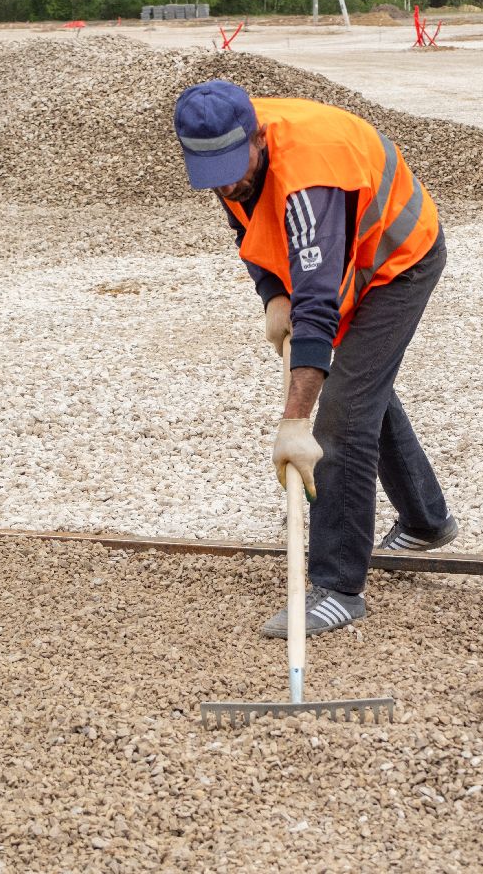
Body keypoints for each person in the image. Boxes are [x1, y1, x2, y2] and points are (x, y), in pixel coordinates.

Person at [174, 81, 458, 637]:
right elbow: (246, 219)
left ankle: (337, 587)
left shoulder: (309, 176)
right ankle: (427, 522)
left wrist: (295, 421)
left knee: (342, 416)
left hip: (398, 259)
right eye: (212, 172)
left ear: (258, 136)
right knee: (361, 388)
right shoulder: (225, 151)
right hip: (346, 253)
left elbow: (319, 303)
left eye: (234, 165)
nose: (225, 181)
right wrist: (269, 291)